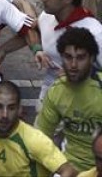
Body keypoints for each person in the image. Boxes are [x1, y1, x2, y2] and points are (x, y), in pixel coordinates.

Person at [0, 0, 102, 99]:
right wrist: (4, 50)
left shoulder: (95, 32)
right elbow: (33, 33)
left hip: (80, 102)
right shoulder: (47, 16)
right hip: (48, 97)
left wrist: (83, 76)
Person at [0, 80, 77, 177]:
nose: (4, 115)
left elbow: (69, 171)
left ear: (20, 110)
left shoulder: (35, 141)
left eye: (11, 108)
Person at [36, 28, 102, 172]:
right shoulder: (56, 91)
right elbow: (40, 139)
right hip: (69, 168)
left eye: (80, 58)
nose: (73, 65)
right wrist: (60, 167)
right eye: (68, 57)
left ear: (91, 58)